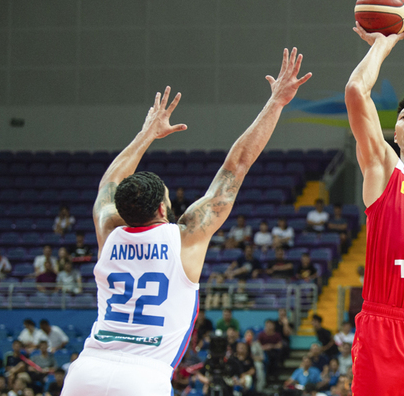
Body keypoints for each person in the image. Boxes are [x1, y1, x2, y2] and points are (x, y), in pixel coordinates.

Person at [61, 48, 312, 396]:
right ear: (163, 209)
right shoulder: (185, 237)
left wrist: (146, 134)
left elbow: (108, 185)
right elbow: (236, 166)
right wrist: (277, 102)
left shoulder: (108, 229)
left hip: (86, 369)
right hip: (143, 376)